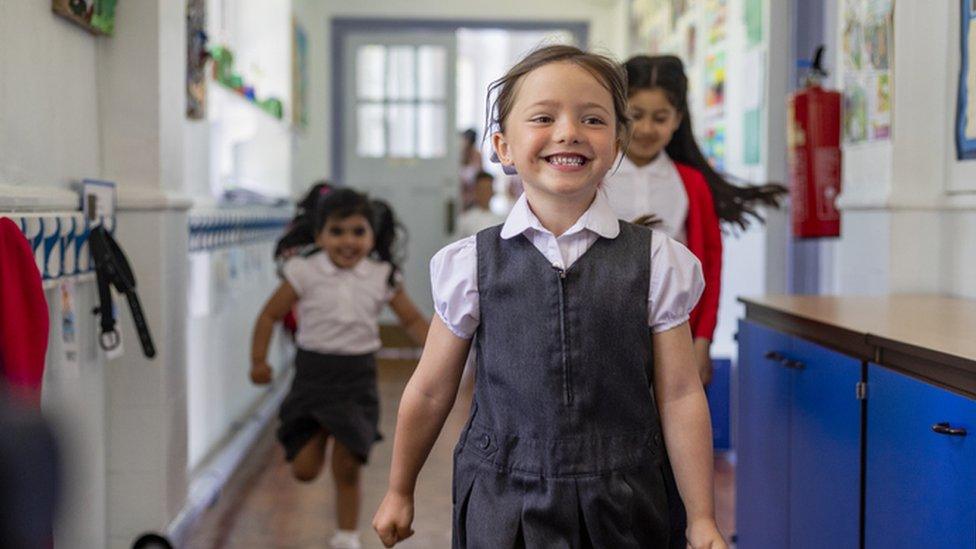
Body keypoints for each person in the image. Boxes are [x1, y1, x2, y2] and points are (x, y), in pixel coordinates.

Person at [373, 45, 726, 549]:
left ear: (618, 142)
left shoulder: (659, 263)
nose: (568, 131)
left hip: (625, 502)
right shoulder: (468, 264)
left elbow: (680, 396)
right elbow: (431, 390)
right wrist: (398, 489)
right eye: (543, 116)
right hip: (501, 502)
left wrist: (702, 517)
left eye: (593, 118)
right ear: (503, 146)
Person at [250, 188, 429, 549]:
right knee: (304, 470)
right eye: (337, 231)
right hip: (313, 377)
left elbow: (411, 320)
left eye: (358, 232)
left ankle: (346, 537)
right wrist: (258, 361)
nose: (348, 241)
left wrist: (445, 353)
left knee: (348, 466)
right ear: (319, 236)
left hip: (356, 379)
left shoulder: (381, 275)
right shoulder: (303, 271)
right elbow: (269, 315)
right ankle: (317, 435)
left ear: (372, 236)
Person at [604, 55, 787, 385]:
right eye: (636, 116)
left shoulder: (690, 182)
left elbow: (711, 265)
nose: (646, 129)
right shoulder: (596, 175)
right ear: (618, 114)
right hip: (603, 330)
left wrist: (703, 341)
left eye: (660, 118)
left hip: (673, 333)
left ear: (677, 119)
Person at [454, 171, 504, 238]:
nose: (485, 193)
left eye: (488, 189)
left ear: (492, 192)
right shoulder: (465, 220)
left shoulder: (501, 220)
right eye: (482, 189)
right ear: (475, 191)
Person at [459, 128, 484, 209]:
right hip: (460, 197)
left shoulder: (477, 155)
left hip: (474, 199)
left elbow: (481, 176)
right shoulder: (458, 155)